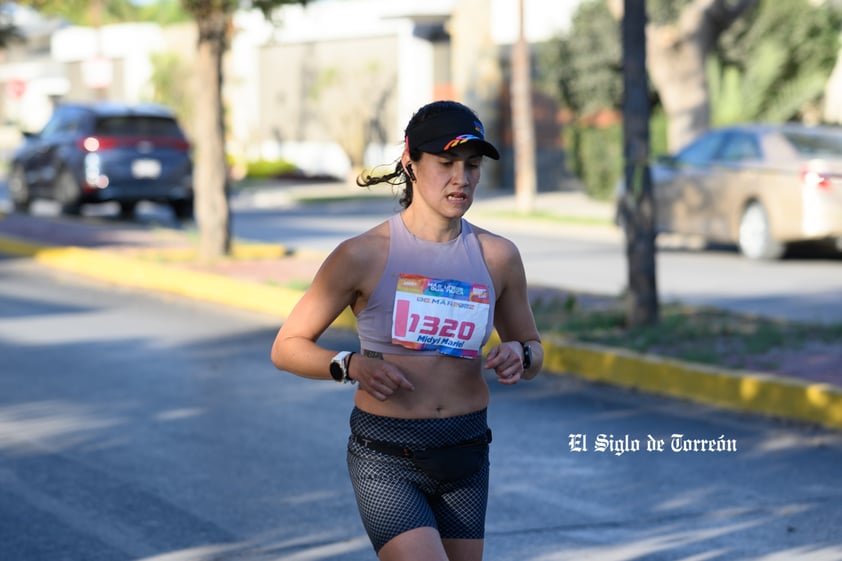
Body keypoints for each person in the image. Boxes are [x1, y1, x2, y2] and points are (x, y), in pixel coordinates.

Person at [270, 99, 543, 561]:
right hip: (386, 455)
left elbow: (534, 350)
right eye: (446, 163)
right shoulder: (362, 254)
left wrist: (521, 355)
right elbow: (287, 347)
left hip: (466, 451)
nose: (462, 178)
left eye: (472, 166)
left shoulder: (498, 256)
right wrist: (350, 365)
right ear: (410, 163)